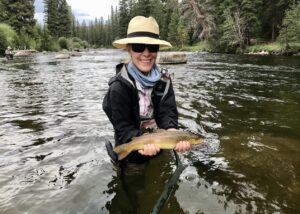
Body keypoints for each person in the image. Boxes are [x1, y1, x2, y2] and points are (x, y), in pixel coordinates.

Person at [103, 16, 191, 163]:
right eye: (138, 46)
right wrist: (143, 141)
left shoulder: (165, 81)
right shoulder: (118, 88)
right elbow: (123, 127)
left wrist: (172, 131)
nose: (146, 53)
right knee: (134, 179)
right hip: (130, 145)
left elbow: (167, 112)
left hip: (159, 143)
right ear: (129, 50)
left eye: (152, 47)